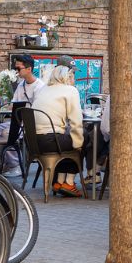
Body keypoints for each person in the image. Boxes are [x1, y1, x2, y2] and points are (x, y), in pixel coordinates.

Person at [31, 65, 85, 197]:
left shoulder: (43, 89)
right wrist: (78, 144)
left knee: (67, 138)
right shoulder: (70, 90)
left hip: (34, 141)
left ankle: (59, 182)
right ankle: (69, 182)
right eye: (72, 77)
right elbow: (76, 121)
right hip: (51, 140)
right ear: (68, 77)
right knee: (84, 137)